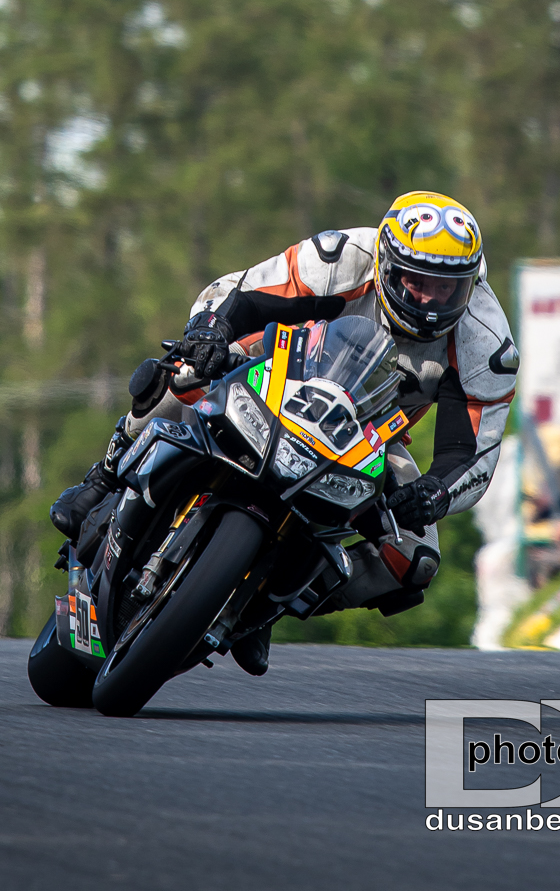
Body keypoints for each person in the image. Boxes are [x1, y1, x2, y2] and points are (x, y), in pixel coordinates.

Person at [49, 190, 518, 673]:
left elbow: (472, 453)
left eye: (447, 288)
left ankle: (263, 606)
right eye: (416, 281)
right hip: (278, 367)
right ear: (385, 263)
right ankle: (103, 477)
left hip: (370, 433)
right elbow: (242, 292)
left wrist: (434, 493)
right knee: (186, 372)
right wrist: (211, 329)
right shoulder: (341, 258)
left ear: (471, 282)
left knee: (415, 560)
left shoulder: (486, 343)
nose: (429, 301)